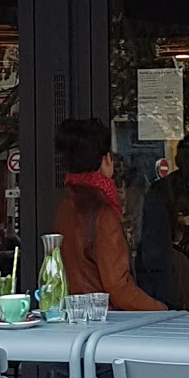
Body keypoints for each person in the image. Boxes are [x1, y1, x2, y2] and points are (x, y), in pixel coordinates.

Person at [53, 117, 165, 312]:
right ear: (106, 160)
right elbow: (119, 289)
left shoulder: (65, 206)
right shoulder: (103, 214)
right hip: (103, 319)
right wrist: (163, 311)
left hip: (75, 316)